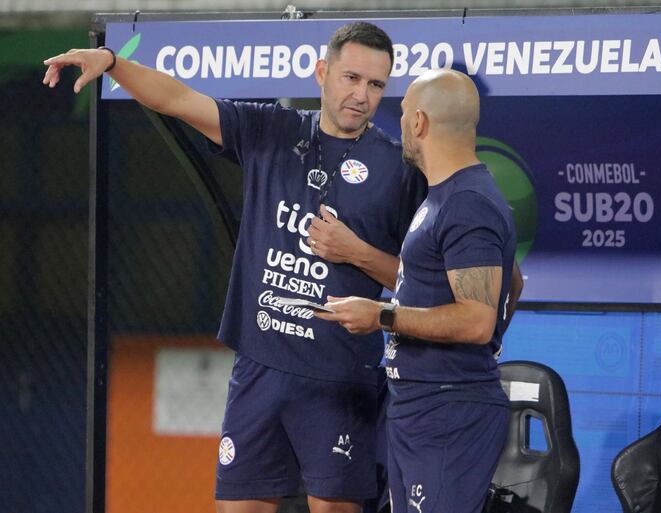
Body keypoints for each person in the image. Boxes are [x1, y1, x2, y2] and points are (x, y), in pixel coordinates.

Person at [44, 22, 426, 513]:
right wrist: (115, 64)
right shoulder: (271, 130)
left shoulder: (398, 168)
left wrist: (355, 252)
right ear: (321, 73)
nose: (361, 95)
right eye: (351, 78)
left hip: (340, 378)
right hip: (259, 369)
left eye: (375, 85)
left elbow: (418, 282)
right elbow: (179, 98)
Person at [316, 68, 521, 513]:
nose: (402, 122)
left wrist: (381, 315)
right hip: (419, 407)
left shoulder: (468, 203)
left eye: (405, 112)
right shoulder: (443, 197)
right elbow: (513, 282)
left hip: (448, 413)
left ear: (419, 123)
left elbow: (478, 318)